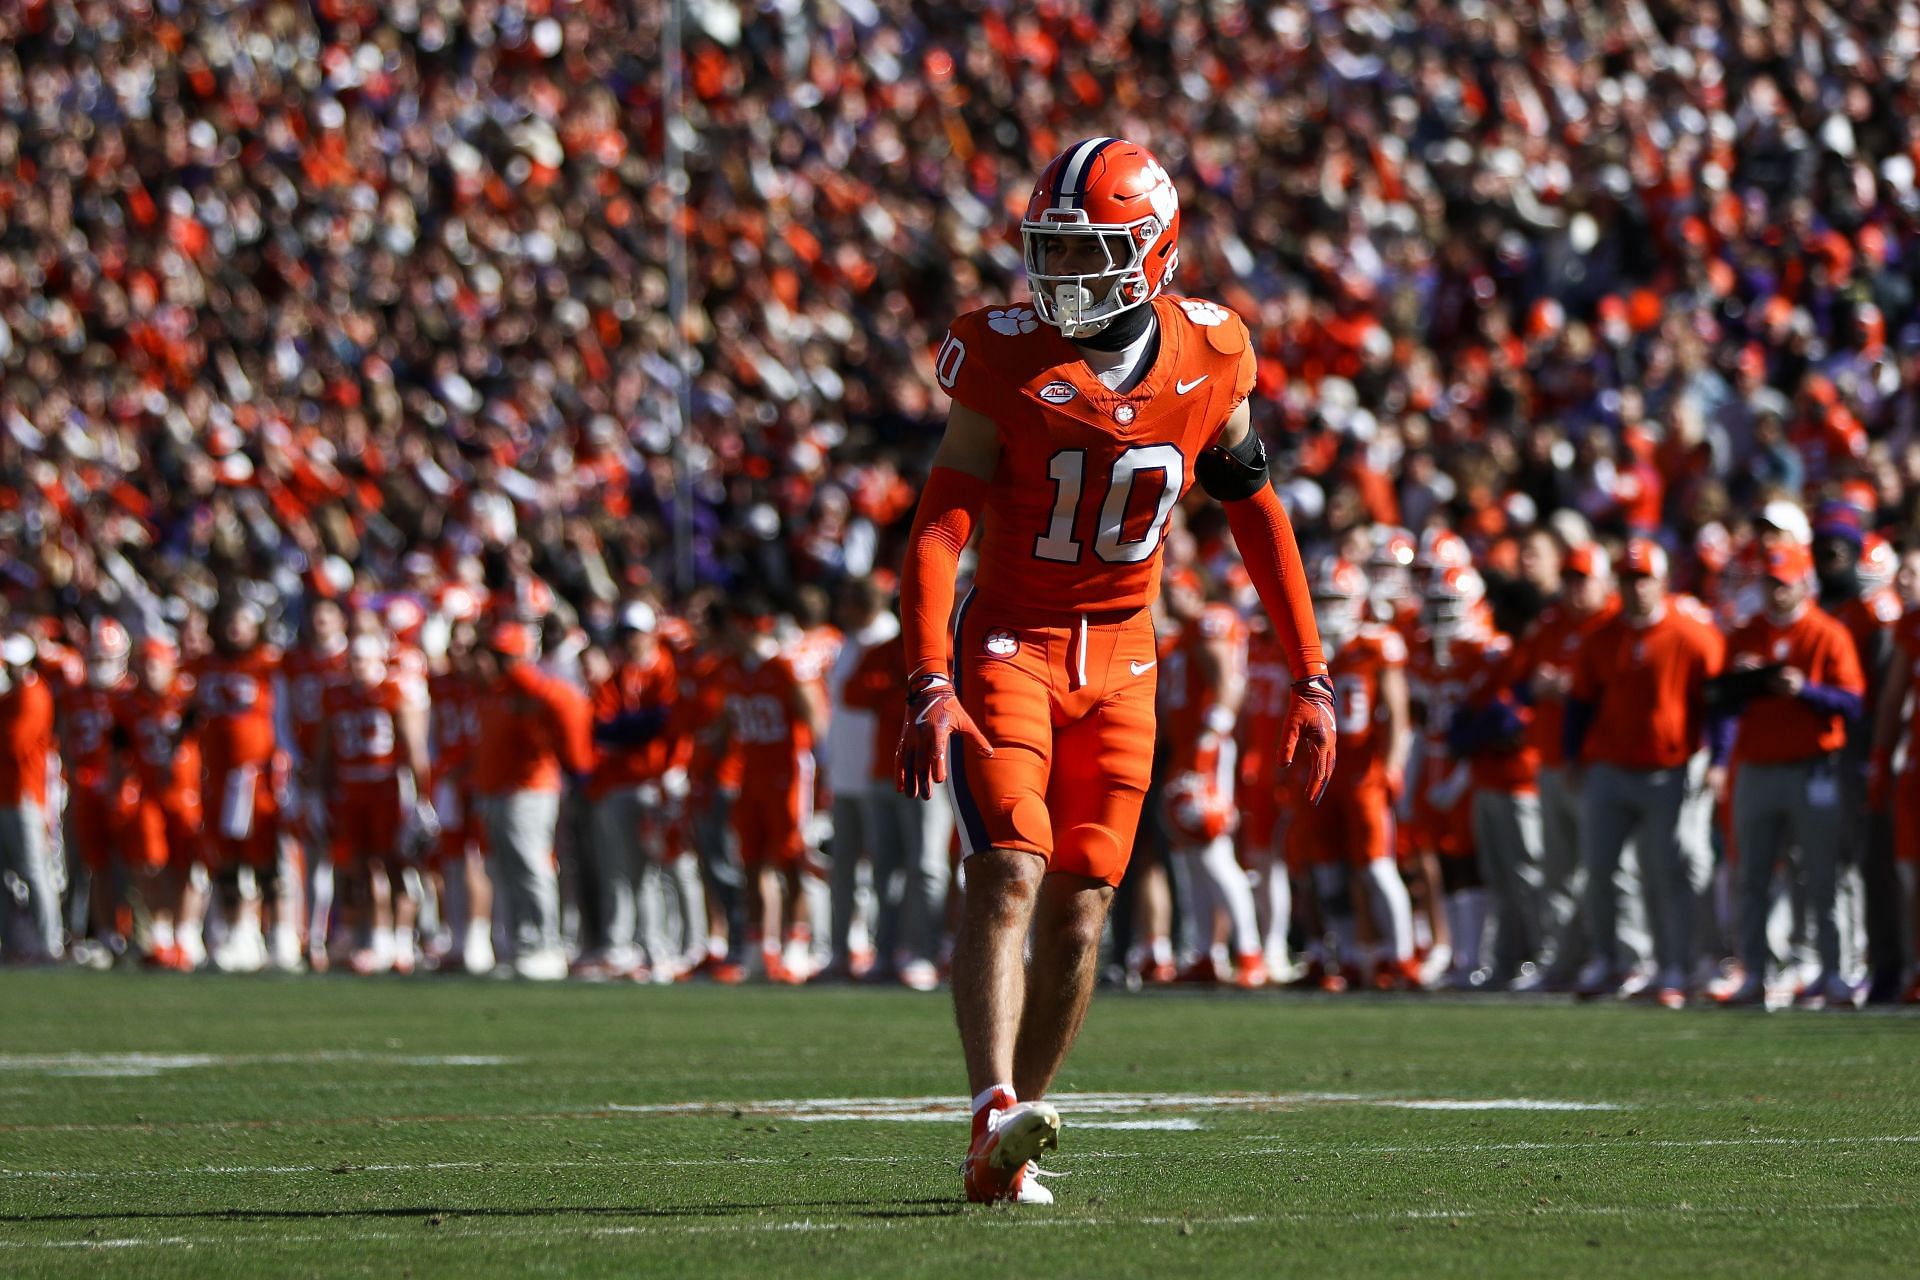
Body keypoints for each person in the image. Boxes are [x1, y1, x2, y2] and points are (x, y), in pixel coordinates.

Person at [894, 138, 1333, 1205]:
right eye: (1051, 251)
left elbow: (1257, 517)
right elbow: (937, 528)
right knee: (1008, 863)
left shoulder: (1215, 353)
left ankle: (1006, 1143)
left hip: (1128, 658)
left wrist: (1313, 674)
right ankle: (992, 1100)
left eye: (1089, 255)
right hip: (1013, 642)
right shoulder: (1001, 353)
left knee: (1084, 908)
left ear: (1153, 253)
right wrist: (926, 676)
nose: (1063, 277)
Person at [1565, 539, 1724, 1008]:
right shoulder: (1602, 636)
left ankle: (1674, 963)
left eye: (1644, 579)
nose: (1636, 589)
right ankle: (1615, 959)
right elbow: (1580, 702)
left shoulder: (1692, 634)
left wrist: (1717, 759)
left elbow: (1715, 703)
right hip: (1610, 766)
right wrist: (1573, 755)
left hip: (1669, 768)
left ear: (1662, 581)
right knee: (1599, 869)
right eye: (1629, 580)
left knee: (1667, 871)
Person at [1719, 542, 1865, 1008]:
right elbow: (1719, 701)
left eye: (1784, 583)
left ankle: (1835, 972)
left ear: (1804, 584)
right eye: (1770, 583)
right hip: (1758, 766)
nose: (1776, 592)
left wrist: (1806, 691)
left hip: (1811, 767)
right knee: (1753, 876)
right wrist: (1743, 680)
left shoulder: (1827, 633)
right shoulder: (1746, 632)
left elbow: (1852, 702)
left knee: (1822, 876)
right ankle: (1754, 973)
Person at [1290, 558, 1416, 988]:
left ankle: (1401, 957)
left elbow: (1397, 713)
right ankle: (1347, 958)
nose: (1328, 608)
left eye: (1336, 599)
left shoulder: (1376, 644)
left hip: (1364, 772)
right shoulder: (1306, 651)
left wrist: (1394, 765)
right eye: (1321, 599)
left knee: (1377, 867)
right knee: (1326, 870)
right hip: (1322, 773)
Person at [1158, 571, 1264, 988]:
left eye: (1172, 592)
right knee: (1192, 857)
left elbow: (1229, 682)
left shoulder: (1209, 621)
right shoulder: (1180, 633)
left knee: (1215, 852)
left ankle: (1250, 952)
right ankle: (1206, 952)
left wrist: (1210, 736)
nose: (1166, 599)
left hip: (1206, 747)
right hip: (1186, 748)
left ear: (1192, 590)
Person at [471, 621, 593, 980]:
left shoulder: (530, 687)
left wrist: (577, 765)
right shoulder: (498, 690)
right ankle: (523, 943)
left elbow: (568, 707)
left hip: (528, 789)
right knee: (508, 871)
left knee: (531, 867)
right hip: (499, 791)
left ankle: (546, 945)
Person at [718, 595, 829, 983]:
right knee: (752, 862)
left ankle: (797, 946)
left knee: (792, 859)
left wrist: (823, 776)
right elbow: (728, 726)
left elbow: (815, 719)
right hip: (752, 773)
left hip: (788, 773)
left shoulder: (785, 666)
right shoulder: (732, 669)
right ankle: (758, 948)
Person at [313, 634, 434, 976]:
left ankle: (401, 940)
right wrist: (317, 795)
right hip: (352, 789)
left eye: (365, 660)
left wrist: (422, 798)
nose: (358, 667)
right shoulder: (335, 696)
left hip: (386, 789)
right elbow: (324, 750)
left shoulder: (395, 693)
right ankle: (373, 938)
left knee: (397, 866)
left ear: (381, 660)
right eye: (354, 660)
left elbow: (414, 749)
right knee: (360, 867)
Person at [194, 600, 300, 973]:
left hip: (258, 778)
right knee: (227, 861)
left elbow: (286, 714)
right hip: (219, 778)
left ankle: (280, 935)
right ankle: (239, 933)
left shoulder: (270, 664)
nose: (235, 629)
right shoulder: (205, 664)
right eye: (229, 621)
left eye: (242, 622)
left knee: (267, 860)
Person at [0, 632, 61, 960]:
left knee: (34, 870)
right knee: (5, 873)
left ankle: (48, 941)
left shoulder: (32, 694)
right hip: (4, 794)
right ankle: (12, 943)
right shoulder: (11, 696)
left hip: (24, 794)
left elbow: (13, 744)